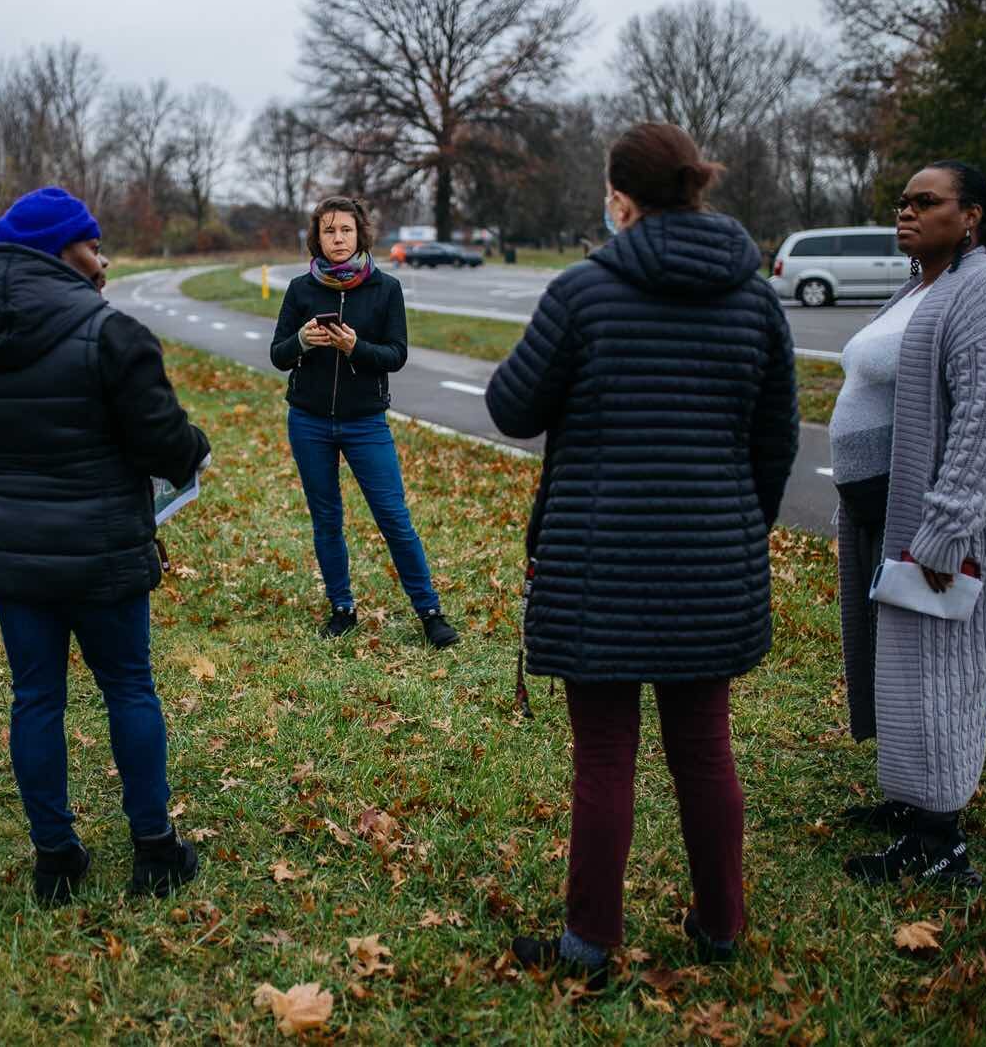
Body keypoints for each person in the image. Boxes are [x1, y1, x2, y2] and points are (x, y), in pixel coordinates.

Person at [484, 123, 799, 986]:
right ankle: (721, 926)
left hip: (598, 570)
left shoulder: (584, 292)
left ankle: (589, 942)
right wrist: (736, 528)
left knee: (604, 755)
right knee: (703, 748)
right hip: (713, 566)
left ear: (619, 196)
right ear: (695, 188)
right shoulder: (753, 298)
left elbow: (511, 407)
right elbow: (776, 443)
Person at [0, 187, 210, 905]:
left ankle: (54, 860)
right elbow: (165, 443)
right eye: (92, 243)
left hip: (15, 553)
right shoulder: (111, 333)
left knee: (35, 699)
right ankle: (154, 849)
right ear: (60, 252)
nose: (104, 256)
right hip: (103, 549)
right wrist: (193, 448)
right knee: (128, 687)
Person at [835, 161, 986, 886]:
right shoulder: (922, 285)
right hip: (888, 511)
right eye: (902, 202)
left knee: (939, 671)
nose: (906, 213)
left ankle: (939, 841)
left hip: (946, 520)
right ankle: (910, 799)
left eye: (926, 202)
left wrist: (946, 531)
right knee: (897, 667)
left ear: (971, 216)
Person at [269, 197, 458, 648]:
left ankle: (429, 611)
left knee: (393, 516)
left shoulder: (385, 288)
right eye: (330, 231)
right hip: (309, 421)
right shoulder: (300, 289)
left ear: (360, 235)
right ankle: (342, 608)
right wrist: (302, 340)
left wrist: (356, 347)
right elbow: (278, 355)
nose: (338, 239)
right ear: (318, 237)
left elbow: (396, 354)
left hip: (365, 423)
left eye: (346, 231)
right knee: (326, 518)